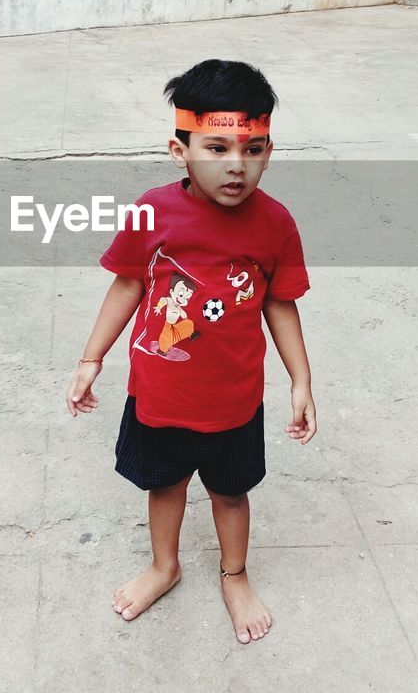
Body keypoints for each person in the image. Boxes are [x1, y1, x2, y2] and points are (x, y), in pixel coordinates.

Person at [65, 59, 317, 645]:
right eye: (216, 146)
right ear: (179, 150)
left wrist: (300, 380)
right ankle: (164, 565)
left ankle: (235, 575)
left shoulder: (275, 224)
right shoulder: (153, 211)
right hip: (160, 393)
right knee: (166, 484)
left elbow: (281, 303)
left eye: (253, 148)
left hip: (234, 403)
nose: (236, 164)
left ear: (269, 150)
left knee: (231, 492)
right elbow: (128, 283)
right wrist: (90, 357)